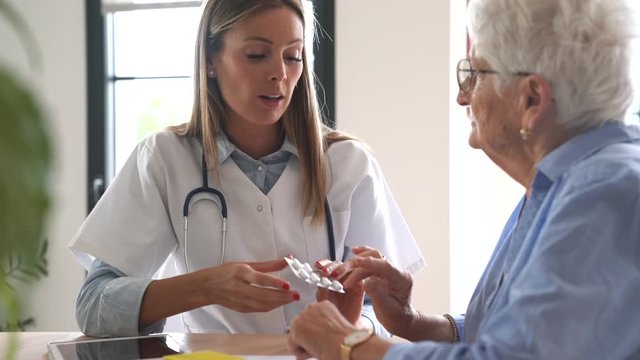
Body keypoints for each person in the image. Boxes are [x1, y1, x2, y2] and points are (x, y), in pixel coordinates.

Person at [287, 0, 640, 358]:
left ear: (531, 99)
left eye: (475, 73)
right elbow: (505, 337)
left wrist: (348, 344)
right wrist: (413, 322)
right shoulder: (561, 184)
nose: (462, 96)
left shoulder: (605, 194)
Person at [69, 0, 425, 337]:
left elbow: (383, 313)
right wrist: (206, 286)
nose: (279, 74)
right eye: (257, 55)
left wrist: (347, 327)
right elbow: (94, 304)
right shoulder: (164, 158)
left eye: (293, 56)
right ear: (210, 60)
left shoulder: (348, 163)